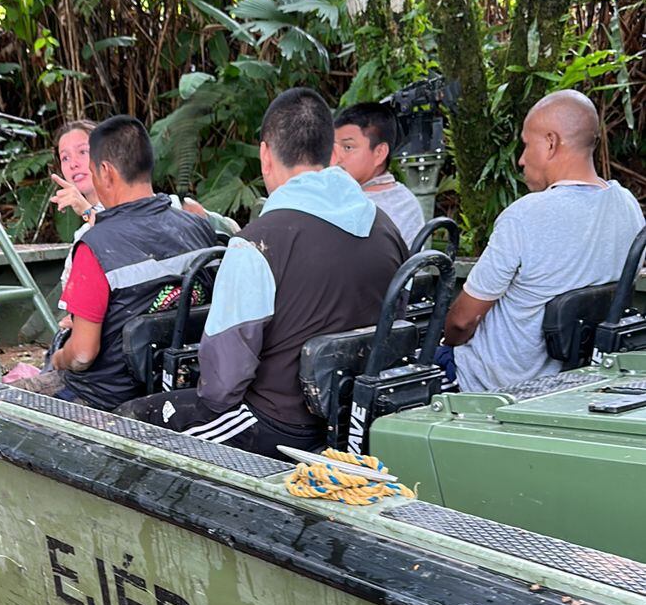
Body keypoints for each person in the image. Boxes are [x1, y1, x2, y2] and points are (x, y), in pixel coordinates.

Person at [123, 88, 406, 456]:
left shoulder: (257, 243)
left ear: (265, 155)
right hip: (355, 418)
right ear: (331, 152)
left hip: (277, 426)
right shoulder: (385, 226)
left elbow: (223, 385)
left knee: (129, 422)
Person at [441, 90, 645, 392]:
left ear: (551, 142)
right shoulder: (627, 206)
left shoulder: (525, 216)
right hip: (574, 381)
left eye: (526, 145)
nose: (521, 160)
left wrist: (446, 342)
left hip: (489, 385)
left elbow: (461, 323)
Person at [34, 114, 217, 409]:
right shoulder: (198, 227)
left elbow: (82, 355)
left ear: (105, 173)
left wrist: (58, 357)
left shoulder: (95, 245)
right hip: (179, 385)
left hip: (103, 398)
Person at [332, 101, 424, 248]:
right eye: (334, 148)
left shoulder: (387, 206)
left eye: (348, 147)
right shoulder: (407, 199)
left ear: (379, 153)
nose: (337, 157)